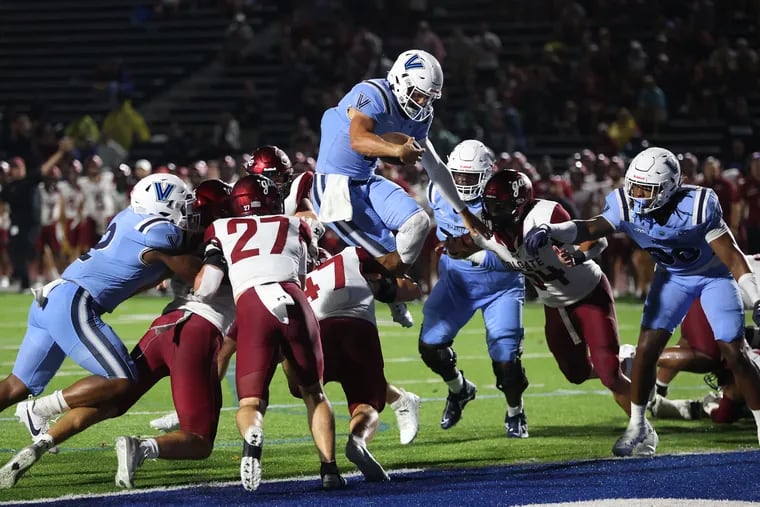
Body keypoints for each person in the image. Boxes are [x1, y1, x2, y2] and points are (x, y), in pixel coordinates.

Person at [523, 146, 760, 457]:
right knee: (647, 349)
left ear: (668, 188)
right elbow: (591, 226)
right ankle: (638, 428)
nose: (636, 195)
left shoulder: (699, 205)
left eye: (645, 189)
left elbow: (732, 256)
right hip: (672, 277)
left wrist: (756, 299)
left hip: (711, 277)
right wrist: (552, 230)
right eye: (633, 185)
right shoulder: (625, 204)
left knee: (734, 351)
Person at [0, 180, 232, 489]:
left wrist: (165, 270)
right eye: (182, 205)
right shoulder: (163, 233)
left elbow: (144, 268)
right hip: (74, 302)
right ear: (162, 209)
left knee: (17, 385)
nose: (189, 211)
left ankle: (33, 407)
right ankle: (39, 409)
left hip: (52, 298)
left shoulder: (129, 218)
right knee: (121, 379)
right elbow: (197, 275)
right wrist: (217, 249)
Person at [311, 49, 489, 327]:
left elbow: (436, 167)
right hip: (335, 186)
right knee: (390, 263)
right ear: (400, 80)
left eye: (429, 98)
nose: (423, 103)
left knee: (418, 222)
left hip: (366, 180)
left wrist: (465, 212)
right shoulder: (373, 93)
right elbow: (358, 139)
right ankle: (386, 292)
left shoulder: (420, 116)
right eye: (419, 94)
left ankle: (389, 286)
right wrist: (395, 149)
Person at [443, 170, 632, 425]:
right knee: (576, 374)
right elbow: (462, 246)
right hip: (554, 306)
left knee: (609, 374)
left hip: (588, 294)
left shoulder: (546, 215)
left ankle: (641, 428)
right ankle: (626, 360)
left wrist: (577, 256)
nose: (493, 212)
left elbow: (596, 240)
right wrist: (451, 247)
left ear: (519, 204)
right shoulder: (486, 229)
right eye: (489, 205)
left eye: (501, 205)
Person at [194, 174, 344, 491]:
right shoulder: (297, 225)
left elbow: (206, 286)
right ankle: (330, 469)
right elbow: (305, 273)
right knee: (314, 394)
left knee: (250, 403)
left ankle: (253, 434)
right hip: (295, 301)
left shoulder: (221, 228)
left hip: (253, 305)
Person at [420, 140, 528, 437]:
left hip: (501, 286)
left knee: (506, 358)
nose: (462, 183)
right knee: (429, 346)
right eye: (457, 176)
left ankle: (515, 411)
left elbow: (517, 259)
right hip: (457, 282)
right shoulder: (436, 190)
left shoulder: (503, 200)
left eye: (470, 177)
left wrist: (475, 252)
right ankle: (459, 389)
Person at [287, 246, 422, 481]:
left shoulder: (296, 278)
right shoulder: (351, 255)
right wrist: (392, 294)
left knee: (309, 392)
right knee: (366, 404)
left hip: (318, 334)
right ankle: (358, 440)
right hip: (358, 328)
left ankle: (330, 466)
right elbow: (408, 288)